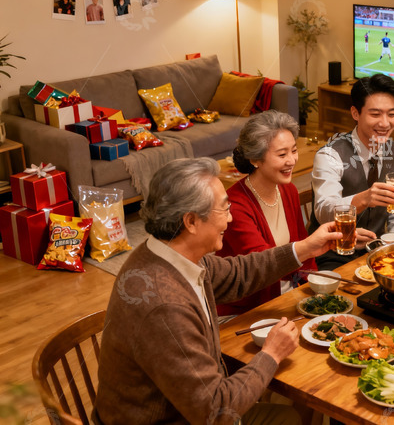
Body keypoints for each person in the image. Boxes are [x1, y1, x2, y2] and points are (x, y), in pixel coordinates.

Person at [93, 158, 341, 424]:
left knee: (293, 414)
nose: (231, 218)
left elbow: (239, 273)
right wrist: (271, 354)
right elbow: (216, 410)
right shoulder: (164, 307)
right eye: (224, 210)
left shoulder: (169, 253)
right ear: (191, 221)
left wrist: (305, 249)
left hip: (189, 408)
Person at [216, 112, 317, 315]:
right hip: (248, 309)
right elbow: (262, 263)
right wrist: (311, 246)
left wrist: (313, 288)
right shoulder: (235, 204)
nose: (291, 160)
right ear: (255, 159)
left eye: (294, 151)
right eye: (282, 155)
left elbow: (303, 252)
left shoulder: (288, 190)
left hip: (287, 296)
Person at [309, 74, 394, 270]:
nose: (385, 123)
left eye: (392, 114)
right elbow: (323, 211)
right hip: (333, 253)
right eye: (375, 114)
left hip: (378, 251)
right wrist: (363, 199)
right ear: (355, 113)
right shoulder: (330, 155)